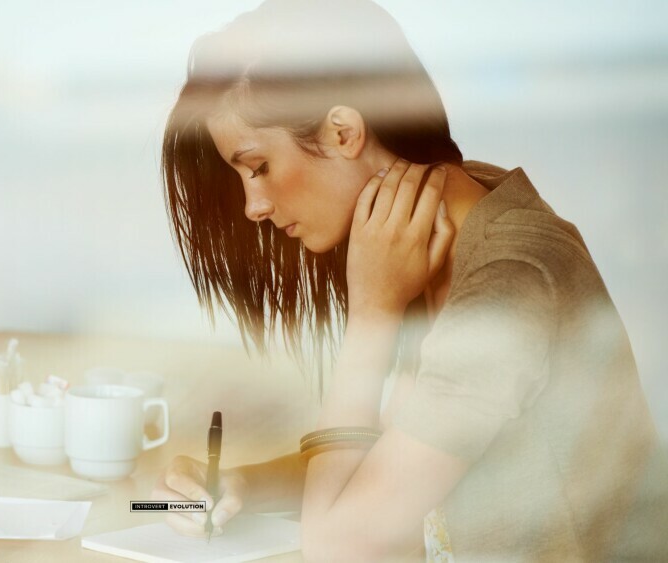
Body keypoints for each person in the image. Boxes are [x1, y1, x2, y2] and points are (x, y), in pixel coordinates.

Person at [151, 0, 667, 560]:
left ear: (343, 130)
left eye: (258, 167)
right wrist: (240, 487)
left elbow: (337, 549)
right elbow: (392, 469)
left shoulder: (510, 280)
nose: (253, 205)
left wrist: (373, 316)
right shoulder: (447, 219)